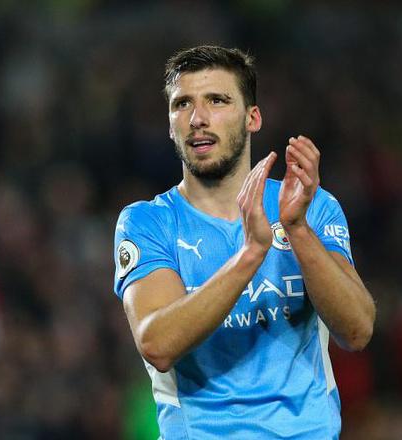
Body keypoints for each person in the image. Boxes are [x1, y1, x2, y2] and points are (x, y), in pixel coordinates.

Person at [113, 45, 375, 439]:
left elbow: (356, 331)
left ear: (253, 117)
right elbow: (158, 344)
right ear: (169, 124)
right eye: (182, 104)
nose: (198, 118)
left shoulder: (311, 207)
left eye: (217, 100)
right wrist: (252, 253)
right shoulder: (148, 223)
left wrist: (298, 230)